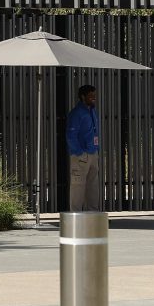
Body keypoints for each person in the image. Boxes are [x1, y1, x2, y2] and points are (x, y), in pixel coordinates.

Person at [66, 84, 102, 213]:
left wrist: (96, 149)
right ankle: (75, 214)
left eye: (94, 96)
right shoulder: (76, 113)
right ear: (82, 97)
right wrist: (80, 153)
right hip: (81, 155)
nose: (93, 98)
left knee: (93, 185)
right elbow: (71, 136)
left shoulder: (92, 111)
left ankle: (93, 213)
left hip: (93, 153)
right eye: (90, 96)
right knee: (78, 185)